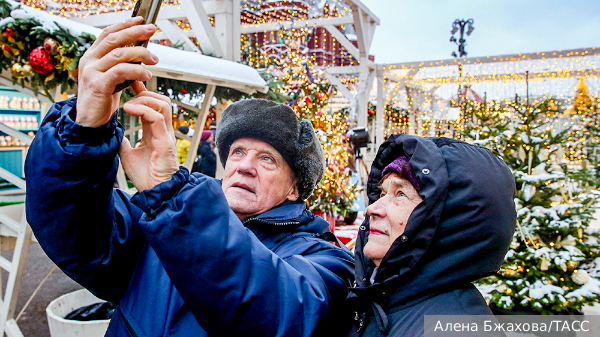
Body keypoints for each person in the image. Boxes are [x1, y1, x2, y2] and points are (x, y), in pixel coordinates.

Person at [25, 17, 353, 337]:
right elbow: (74, 233)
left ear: (296, 188)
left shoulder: (326, 260)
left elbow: (280, 317)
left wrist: (169, 196)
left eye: (267, 159)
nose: (244, 165)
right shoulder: (163, 214)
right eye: (237, 152)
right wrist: (83, 129)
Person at [346, 134, 517, 337]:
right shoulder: (382, 301)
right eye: (383, 194)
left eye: (401, 194)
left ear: (449, 220)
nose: (372, 208)